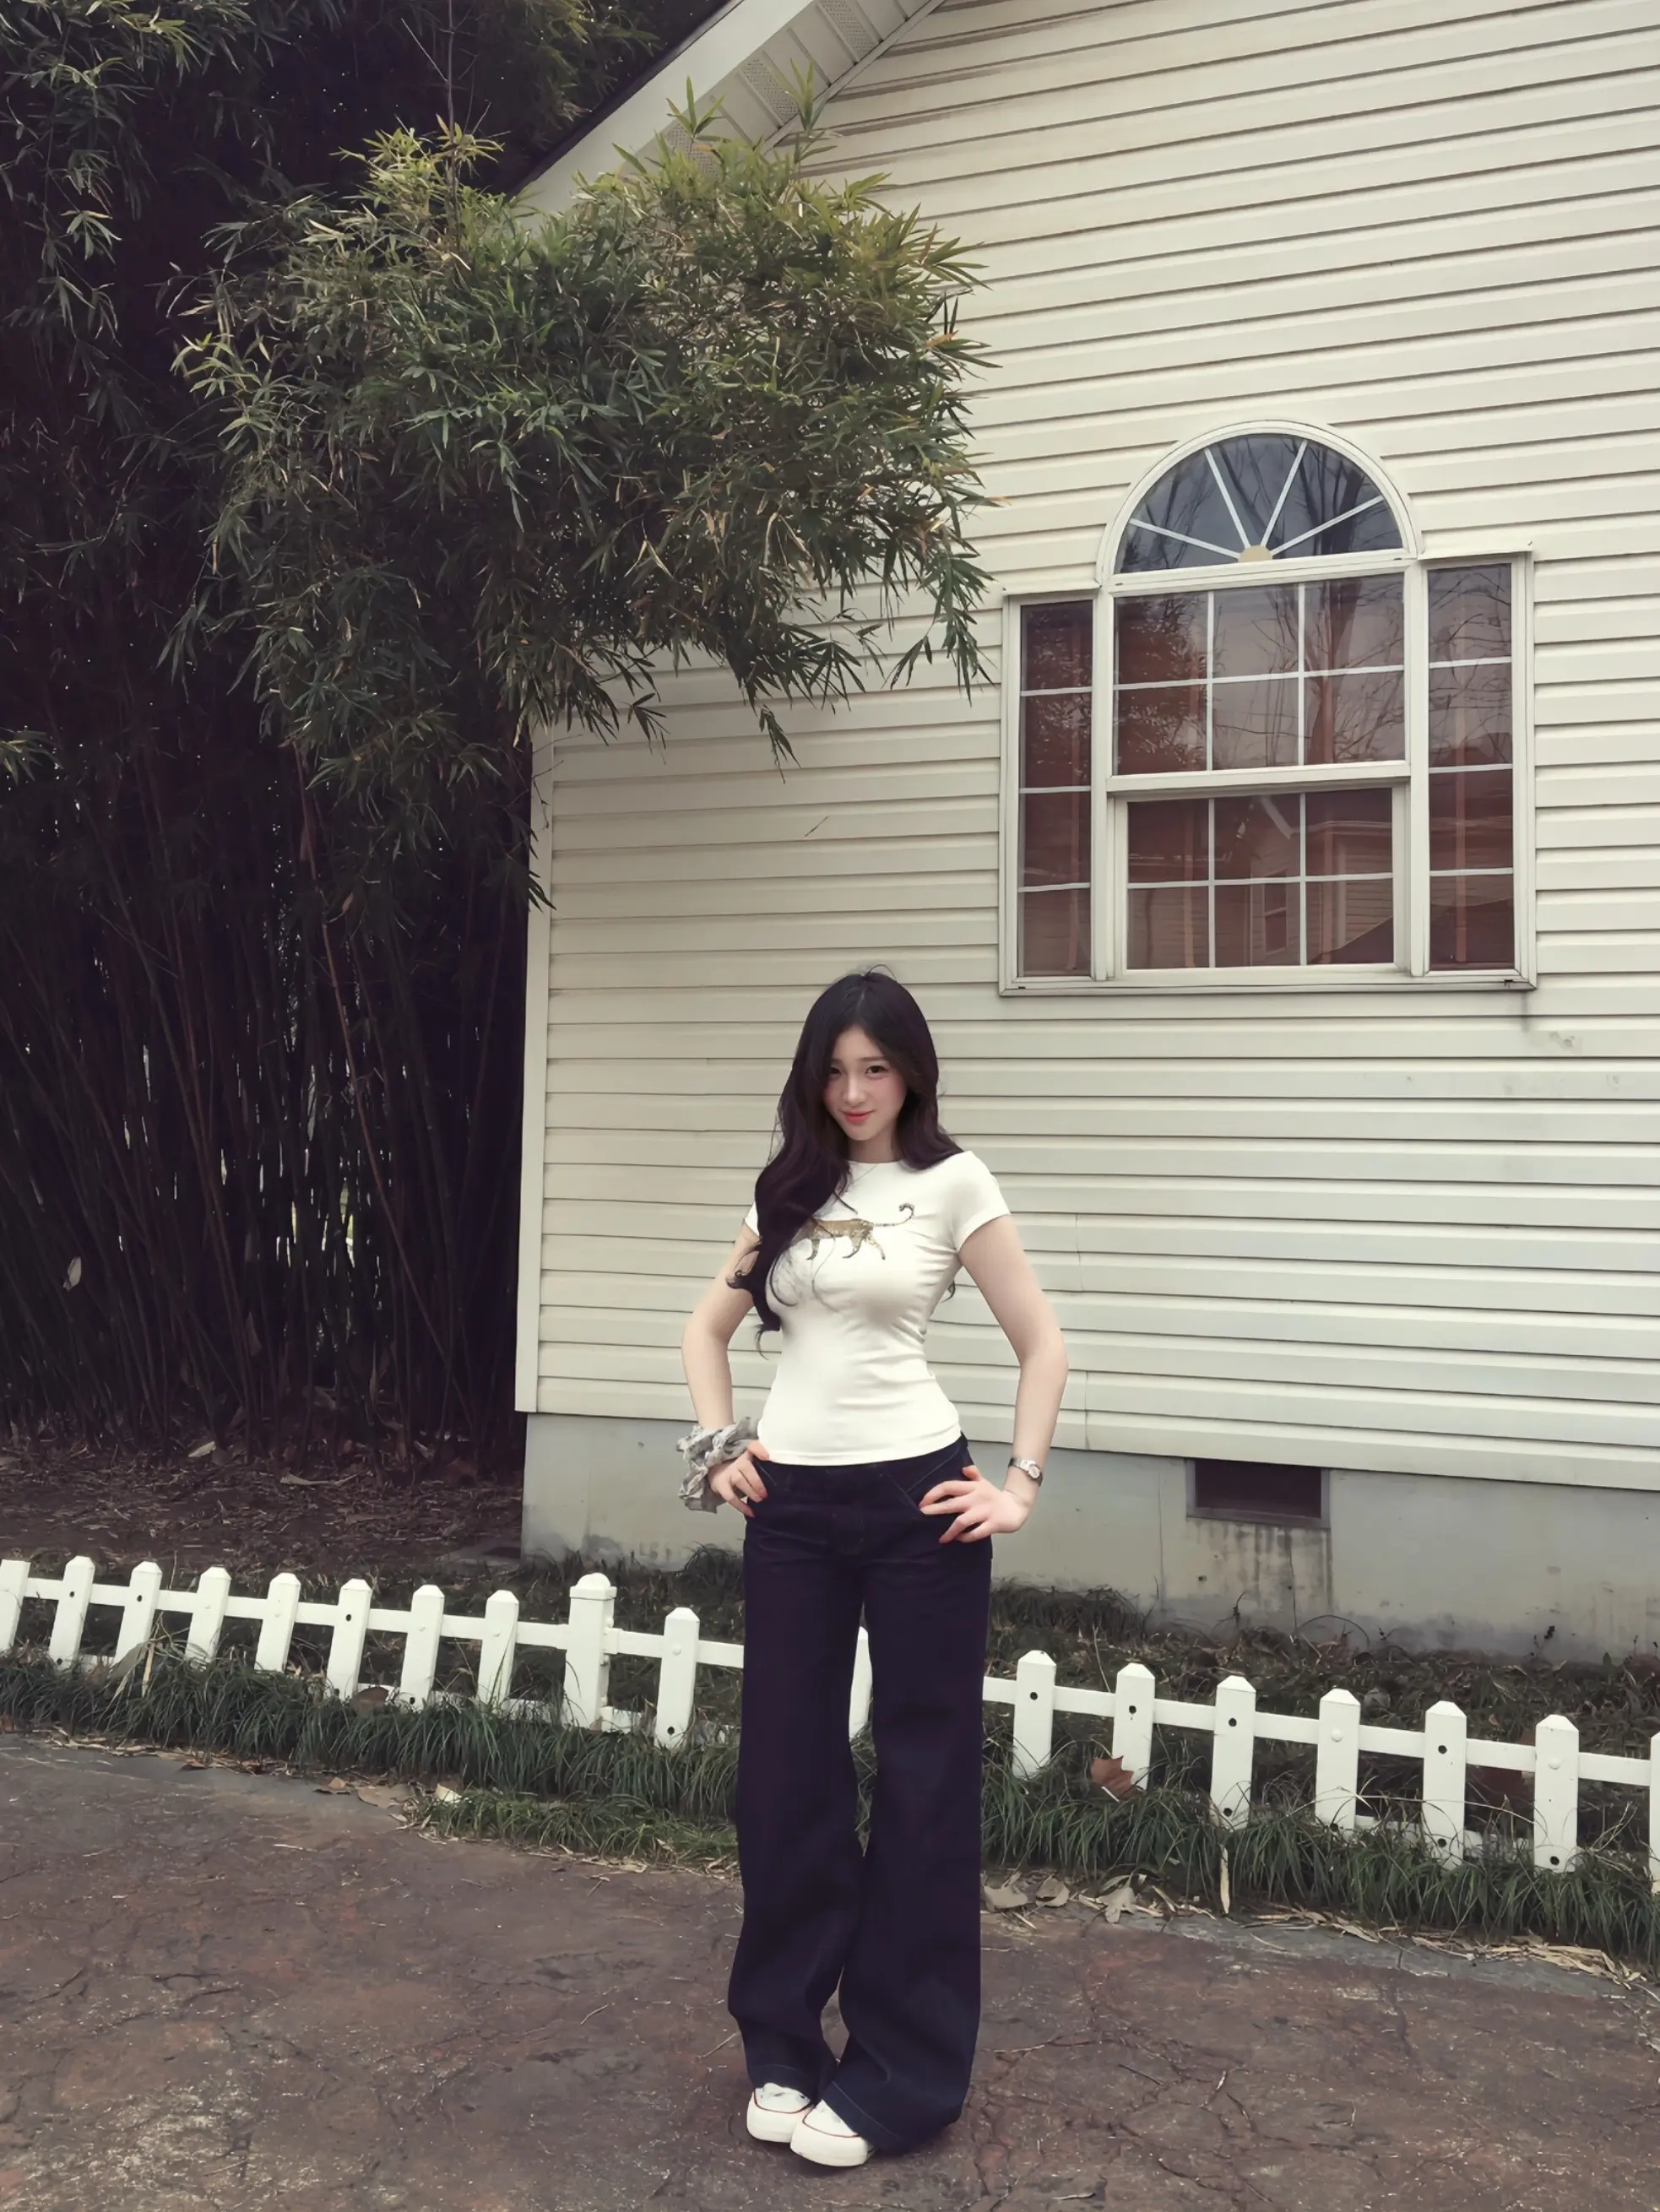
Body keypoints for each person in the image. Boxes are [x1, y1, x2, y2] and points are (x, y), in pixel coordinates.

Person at [679, 970, 1068, 2168]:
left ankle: (904, 2073)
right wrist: (718, 1448)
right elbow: (704, 1329)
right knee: (783, 1774)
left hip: (920, 1506)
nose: (853, 1093)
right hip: (791, 1509)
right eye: (835, 1072)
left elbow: (1042, 1343)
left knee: (922, 1779)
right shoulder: (789, 1189)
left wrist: (1017, 1488)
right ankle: (784, 2044)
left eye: (875, 1070)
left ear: (910, 1074)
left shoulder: (955, 1183)